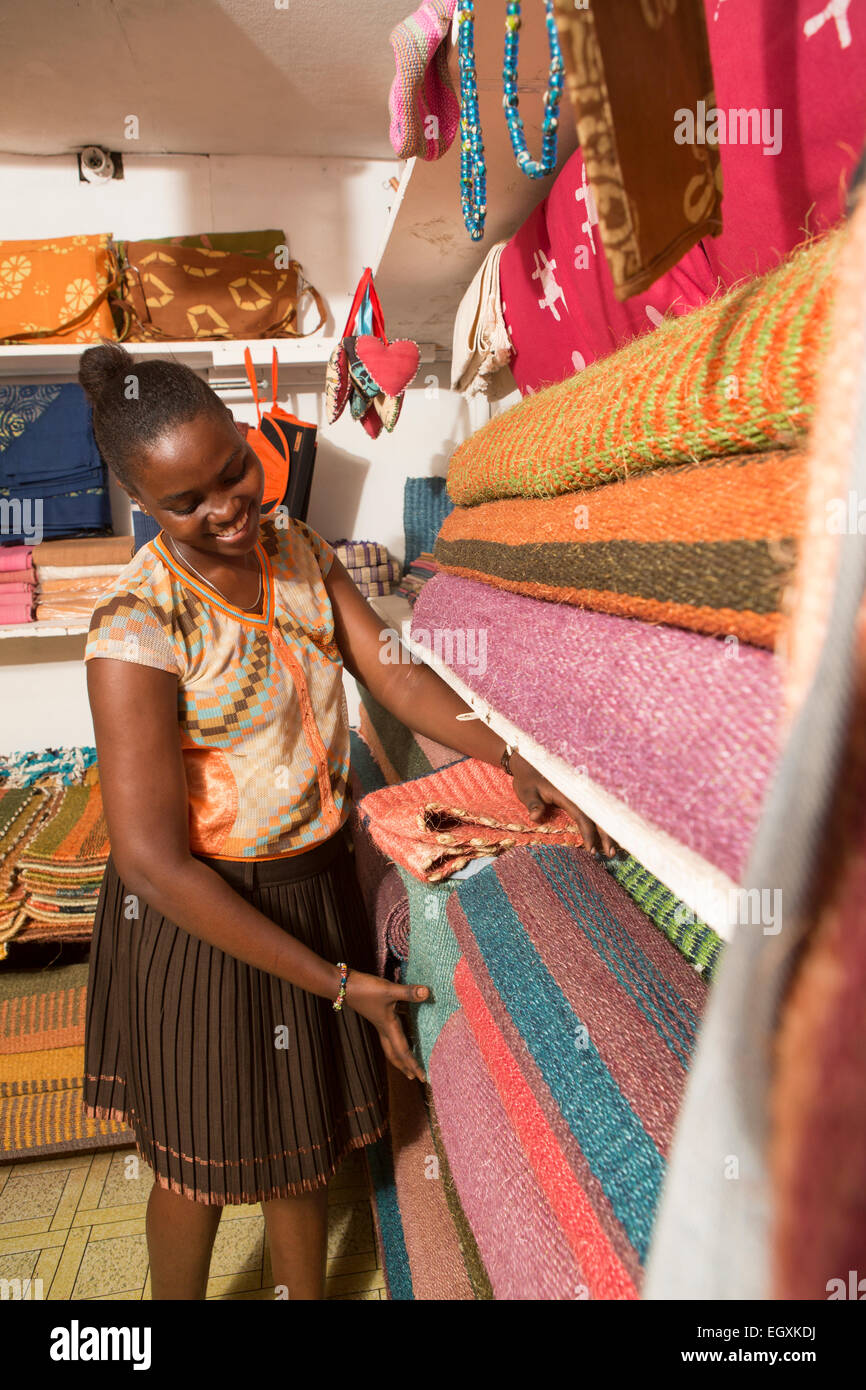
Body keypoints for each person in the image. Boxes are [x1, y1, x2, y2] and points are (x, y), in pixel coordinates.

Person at [78, 341, 617, 1301]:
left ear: (251, 435)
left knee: (299, 1145)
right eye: (189, 501)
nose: (230, 507)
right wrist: (337, 983)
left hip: (307, 882)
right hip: (204, 919)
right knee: (195, 1168)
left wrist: (514, 756)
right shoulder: (137, 627)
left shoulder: (296, 546)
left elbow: (396, 674)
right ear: (141, 502)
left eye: (235, 469)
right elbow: (155, 861)